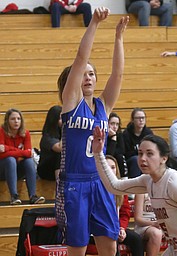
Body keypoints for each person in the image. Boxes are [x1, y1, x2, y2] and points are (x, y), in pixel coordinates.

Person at [55, 7, 129, 256]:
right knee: (78, 249)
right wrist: (95, 24)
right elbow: (79, 58)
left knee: (110, 247)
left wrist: (118, 38)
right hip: (74, 184)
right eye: (83, 74)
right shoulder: (71, 103)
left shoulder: (103, 106)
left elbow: (118, 74)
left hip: (101, 182)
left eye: (92, 73)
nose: (87, 77)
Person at [92, 129, 177, 256]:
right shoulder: (148, 180)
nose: (143, 158)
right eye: (140, 153)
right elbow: (114, 186)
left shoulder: (175, 183)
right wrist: (98, 154)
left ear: (164, 158)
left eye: (149, 154)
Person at [0, 108, 45, 205]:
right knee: (10, 160)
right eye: (13, 119)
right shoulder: (1, 131)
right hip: (3, 168)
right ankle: (14, 196)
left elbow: (29, 153)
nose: (16, 121)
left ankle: (33, 196)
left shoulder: (26, 133)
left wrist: (8, 149)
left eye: (18, 119)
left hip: (17, 169)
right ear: (7, 121)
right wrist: (21, 152)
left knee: (29, 161)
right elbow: (2, 154)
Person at [106, 155, 144, 256]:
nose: (110, 170)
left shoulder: (120, 189)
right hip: (99, 230)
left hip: (117, 227)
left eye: (113, 167)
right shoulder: (94, 188)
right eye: (107, 167)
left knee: (136, 239)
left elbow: (124, 214)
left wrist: (122, 228)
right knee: (112, 239)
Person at [123, 108, 153, 178]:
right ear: (133, 120)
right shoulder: (126, 134)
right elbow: (126, 153)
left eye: (143, 118)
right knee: (136, 159)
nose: (141, 120)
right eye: (138, 118)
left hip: (145, 158)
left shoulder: (148, 133)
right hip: (131, 160)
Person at [38, 105, 62, 181]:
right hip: (46, 169)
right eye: (61, 118)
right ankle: (59, 184)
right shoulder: (47, 136)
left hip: (59, 167)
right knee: (60, 154)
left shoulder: (60, 132)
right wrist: (66, 130)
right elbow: (59, 148)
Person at [106, 112, 128, 178]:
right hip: (105, 159)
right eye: (112, 123)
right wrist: (113, 139)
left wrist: (114, 136)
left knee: (120, 157)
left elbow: (122, 151)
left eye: (117, 124)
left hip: (116, 158)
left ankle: (124, 178)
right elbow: (108, 154)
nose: (115, 126)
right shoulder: (103, 135)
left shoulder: (119, 134)